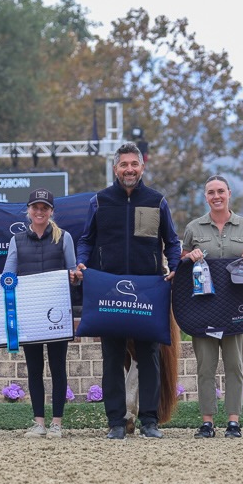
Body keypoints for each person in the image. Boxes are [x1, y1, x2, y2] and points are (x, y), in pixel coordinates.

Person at [76, 142, 181, 439]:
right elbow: (86, 239)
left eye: (134, 164)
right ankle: (116, 423)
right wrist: (81, 263)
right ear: (115, 168)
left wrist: (173, 266)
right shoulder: (99, 201)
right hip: (108, 289)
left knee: (149, 355)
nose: (129, 169)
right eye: (124, 165)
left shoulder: (157, 201)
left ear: (142, 167)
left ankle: (149, 421)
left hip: (148, 289)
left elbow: (172, 242)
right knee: (112, 356)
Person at [182, 175, 243, 439]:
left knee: (234, 366)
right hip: (203, 309)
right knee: (205, 367)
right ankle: (207, 422)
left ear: (229, 193)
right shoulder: (194, 228)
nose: (216, 196)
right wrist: (189, 256)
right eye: (210, 192)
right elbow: (181, 262)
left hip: (236, 309)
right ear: (205, 197)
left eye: (220, 191)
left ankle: (233, 422)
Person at [4, 189, 80, 438]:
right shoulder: (16, 240)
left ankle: (57, 422)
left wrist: (75, 277)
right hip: (30, 314)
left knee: (58, 368)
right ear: (28, 210)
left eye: (44, 208)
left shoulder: (64, 237)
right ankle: (39, 422)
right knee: (34, 368)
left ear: (51, 212)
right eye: (35, 207)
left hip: (56, 313)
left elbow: (72, 274)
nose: (39, 212)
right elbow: (8, 276)